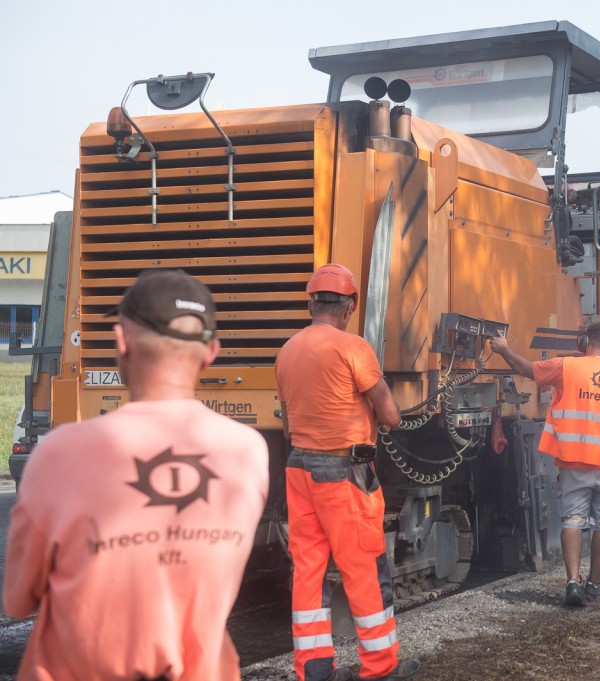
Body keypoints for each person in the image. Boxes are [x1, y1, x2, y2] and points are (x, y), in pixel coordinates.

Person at [3, 268, 270, 680]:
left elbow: (19, 599)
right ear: (211, 351)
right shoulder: (248, 452)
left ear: (122, 341)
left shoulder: (59, 454)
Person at [274, 264, 420, 681]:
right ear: (349, 307)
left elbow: (287, 425)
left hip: (299, 470)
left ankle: (315, 669)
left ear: (311, 305)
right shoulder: (354, 348)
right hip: (345, 473)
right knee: (365, 568)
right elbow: (390, 415)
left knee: (308, 570)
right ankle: (381, 666)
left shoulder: (287, 351)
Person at [489, 323, 600, 607]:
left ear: (584, 344)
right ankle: (594, 584)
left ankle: (573, 581)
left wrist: (503, 350)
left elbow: (526, 369)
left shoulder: (566, 367)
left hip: (574, 462)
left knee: (572, 520)